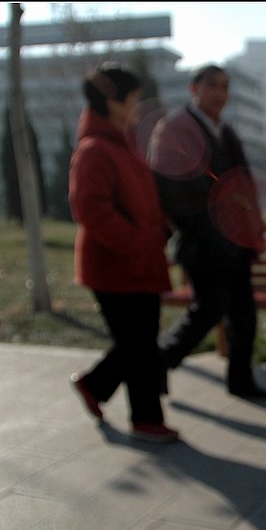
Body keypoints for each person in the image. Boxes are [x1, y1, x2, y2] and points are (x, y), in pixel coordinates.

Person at [149, 64, 266, 401]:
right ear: (194, 89)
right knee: (208, 309)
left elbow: (243, 184)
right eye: (213, 86)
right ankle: (159, 361)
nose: (220, 94)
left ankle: (241, 381)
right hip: (202, 244)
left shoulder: (225, 130)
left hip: (234, 244)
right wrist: (207, 230)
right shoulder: (176, 129)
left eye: (225, 87)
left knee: (244, 316)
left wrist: (253, 230)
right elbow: (172, 191)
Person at [68, 62, 179, 443]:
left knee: (139, 339)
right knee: (140, 345)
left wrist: (161, 230)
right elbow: (91, 209)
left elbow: (143, 201)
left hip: (141, 262)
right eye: (133, 98)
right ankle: (146, 420)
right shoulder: (94, 149)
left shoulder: (126, 145)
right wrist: (135, 241)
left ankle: (94, 386)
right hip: (114, 266)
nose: (138, 106)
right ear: (112, 101)